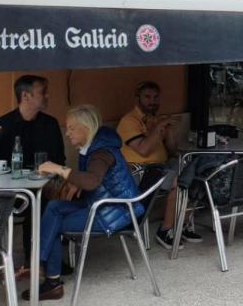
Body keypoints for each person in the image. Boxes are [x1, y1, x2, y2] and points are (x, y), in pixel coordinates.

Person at [25, 105, 141, 301]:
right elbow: (90, 180)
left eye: (71, 128)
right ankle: (41, 266)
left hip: (114, 211)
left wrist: (60, 169)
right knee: (53, 207)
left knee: (53, 225)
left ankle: (48, 278)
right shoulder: (91, 147)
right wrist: (76, 183)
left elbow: (92, 180)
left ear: (87, 128)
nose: (67, 133)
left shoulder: (102, 152)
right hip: (101, 204)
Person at [0, 75, 66, 275]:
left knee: (46, 204)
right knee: (36, 204)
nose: (48, 96)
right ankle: (36, 262)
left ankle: (39, 261)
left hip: (44, 188)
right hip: (9, 192)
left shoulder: (50, 124)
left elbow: (60, 160)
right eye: (42, 92)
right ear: (26, 96)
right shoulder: (2, 126)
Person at [116, 81, 201, 249]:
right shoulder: (129, 121)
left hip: (160, 166)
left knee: (195, 171)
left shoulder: (154, 119)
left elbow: (171, 150)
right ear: (137, 98)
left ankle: (183, 224)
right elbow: (144, 150)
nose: (152, 101)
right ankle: (165, 230)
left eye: (155, 97)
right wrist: (159, 127)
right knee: (179, 180)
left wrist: (167, 130)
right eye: (147, 97)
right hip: (140, 172)